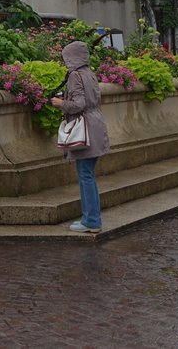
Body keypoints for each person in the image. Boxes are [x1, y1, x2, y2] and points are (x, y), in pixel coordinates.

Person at [51, 40, 111, 232]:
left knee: (85, 176)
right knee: (89, 175)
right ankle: (92, 218)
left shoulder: (74, 75)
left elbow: (78, 104)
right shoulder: (89, 74)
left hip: (84, 128)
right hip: (96, 125)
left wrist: (60, 103)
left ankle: (91, 221)